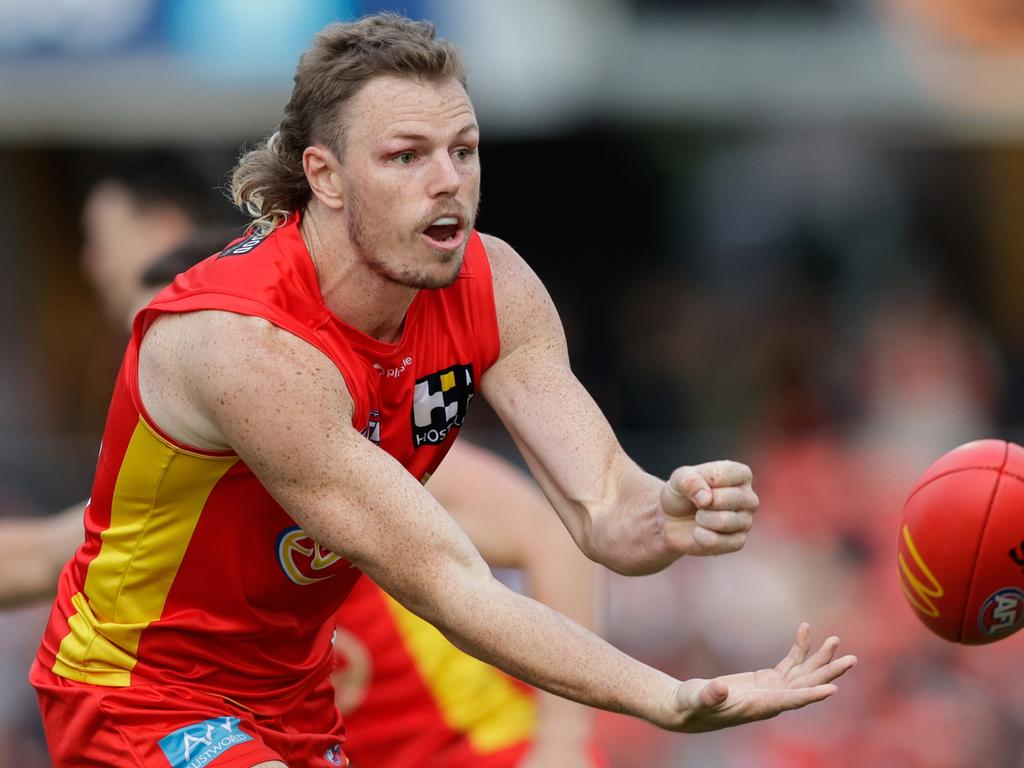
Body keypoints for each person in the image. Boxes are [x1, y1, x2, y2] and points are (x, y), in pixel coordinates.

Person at [30, 14, 855, 768]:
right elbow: (450, 584)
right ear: (325, 176)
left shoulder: (493, 283)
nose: (448, 180)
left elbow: (604, 510)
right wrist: (659, 698)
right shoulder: (251, 345)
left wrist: (666, 512)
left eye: (464, 150)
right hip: (136, 693)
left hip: (293, 701)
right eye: (406, 156)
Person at [6, 182, 606, 765]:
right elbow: (40, 555)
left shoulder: (350, 448)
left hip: (483, 753)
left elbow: (550, 535)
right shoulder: (172, 509)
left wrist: (562, 744)